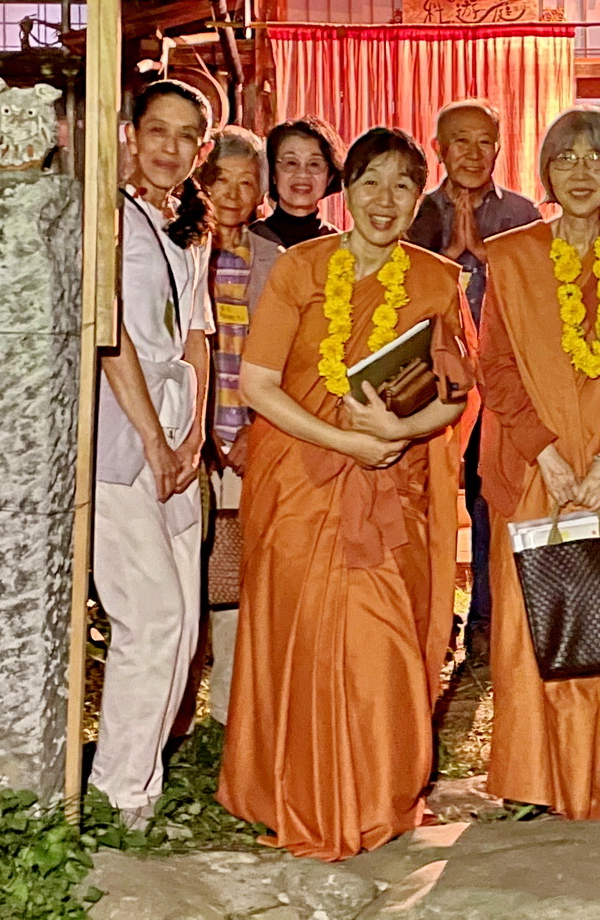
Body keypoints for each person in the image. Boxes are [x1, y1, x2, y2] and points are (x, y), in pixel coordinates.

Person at [219, 127, 476, 861]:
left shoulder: (436, 280)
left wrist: (399, 432)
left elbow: (456, 392)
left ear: (419, 198)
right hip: (300, 484)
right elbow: (258, 384)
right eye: (370, 182)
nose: (384, 200)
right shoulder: (300, 268)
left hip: (389, 489)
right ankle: (297, 793)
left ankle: (377, 794)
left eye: (402, 185)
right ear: (347, 190)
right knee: (302, 637)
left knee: (380, 640)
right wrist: (347, 441)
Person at [478, 108, 600, 817]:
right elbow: (495, 367)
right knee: (532, 621)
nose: (582, 172)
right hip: (536, 464)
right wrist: (547, 453)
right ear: (547, 171)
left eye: (597, 159)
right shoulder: (511, 257)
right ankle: (536, 780)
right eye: (566, 158)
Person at [93, 79, 214, 828]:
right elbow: (111, 338)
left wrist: (192, 434)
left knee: (186, 623)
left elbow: (197, 334)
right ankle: (120, 794)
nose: (171, 148)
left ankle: (143, 782)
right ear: (131, 134)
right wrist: (151, 438)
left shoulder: (190, 226)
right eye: (158, 131)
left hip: (176, 428)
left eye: (186, 136)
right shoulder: (107, 215)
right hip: (121, 433)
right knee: (153, 614)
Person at [406, 99, 540, 673]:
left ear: (500, 147)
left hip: (505, 381)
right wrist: (450, 259)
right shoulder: (415, 211)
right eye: (460, 141)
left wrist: (486, 257)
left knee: (492, 500)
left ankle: (488, 620)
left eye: (485, 141)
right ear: (438, 148)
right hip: (431, 383)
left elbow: (539, 296)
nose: (473, 153)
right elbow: (402, 293)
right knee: (430, 501)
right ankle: (435, 622)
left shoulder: (522, 213)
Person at [197, 126, 280, 726]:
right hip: (188, 441)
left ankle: (229, 712)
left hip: (251, 440)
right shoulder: (182, 251)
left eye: (246, 183)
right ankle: (177, 712)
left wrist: (256, 429)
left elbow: (289, 361)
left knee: (235, 578)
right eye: (220, 180)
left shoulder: (276, 262)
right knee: (182, 583)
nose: (232, 194)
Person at [252, 117, 343, 248]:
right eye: (291, 163)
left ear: (330, 176)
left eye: (314, 164)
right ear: (273, 174)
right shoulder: (248, 242)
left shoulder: (341, 247)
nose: (302, 174)